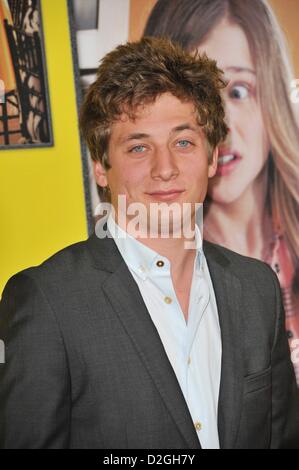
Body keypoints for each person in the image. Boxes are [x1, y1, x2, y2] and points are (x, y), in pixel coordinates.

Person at [0, 37, 299, 449]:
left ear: (212, 156)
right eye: (139, 147)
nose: (165, 168)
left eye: (183, 142)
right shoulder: (47, 301)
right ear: (101, 168)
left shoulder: (257, 289)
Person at [144, 0, 299, 384]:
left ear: (273, 96)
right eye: (201, 98)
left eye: (239, 91)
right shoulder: (151, 269)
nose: (222, 127)